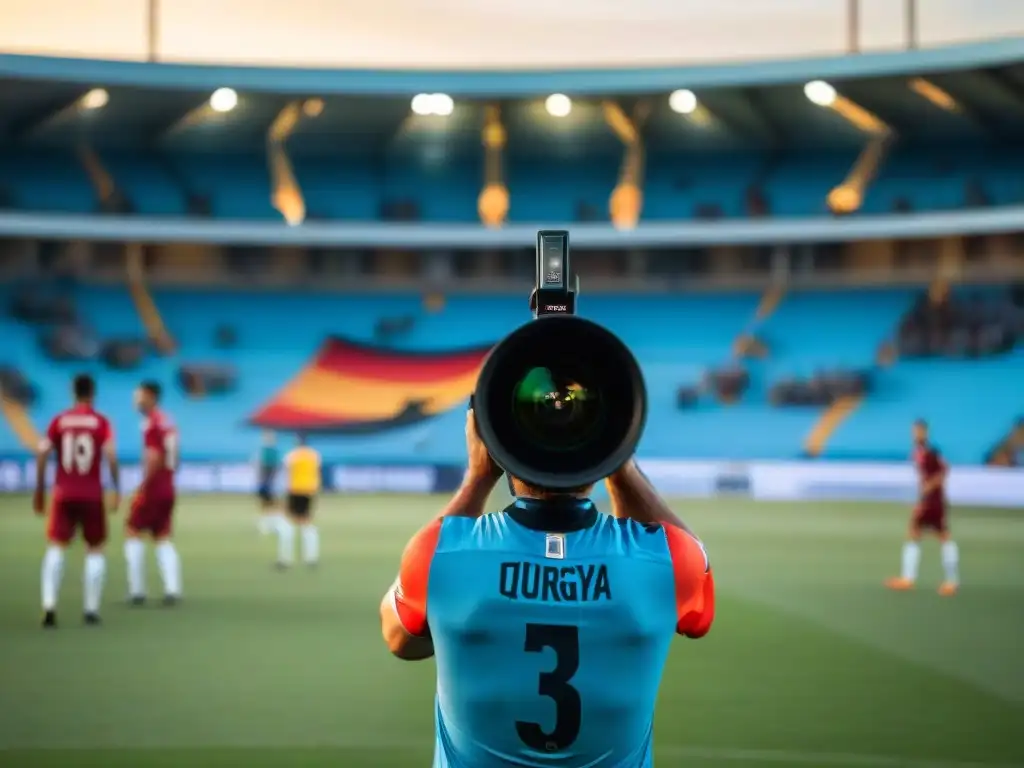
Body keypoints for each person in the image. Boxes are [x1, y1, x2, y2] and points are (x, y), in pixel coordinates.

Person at [380, 410, 715, 767]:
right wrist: (622, 468)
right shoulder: (670, 561)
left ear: (495, 444)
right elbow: (697, 597)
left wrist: (478, 478)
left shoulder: (439, 552)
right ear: (609, 447)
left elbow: (400, 638)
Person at [34, 373, 120, 627]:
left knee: (57, 546)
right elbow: (112, 456)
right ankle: (91, 609)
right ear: (93, 394)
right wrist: (116, 487)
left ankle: (49, 605)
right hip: (92, 494)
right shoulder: (101, 422)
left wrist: (40, 489)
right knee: (95, 548)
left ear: (73, 393)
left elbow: (41, 453)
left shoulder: (59, 421)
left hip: (63, 493)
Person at [124, 381, 182, 606]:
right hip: (168, 485)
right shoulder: (168, 420)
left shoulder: (152, 422)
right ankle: (172, 589)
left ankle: (137, 590)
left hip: (154, 486)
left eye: (138, 396)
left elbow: (153, 457)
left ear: (150, 396)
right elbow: (173, 457)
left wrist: (142, 486)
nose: (135, 400)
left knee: (132, 530)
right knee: (162, 535)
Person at [886, 419, 958, 595]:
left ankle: (948, 581)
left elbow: (943, 470)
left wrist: (926, 491)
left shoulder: (929, 452)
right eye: (914, 431)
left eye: (919, 431)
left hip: (931, 500)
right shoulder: (919, 452)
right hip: (931, 499)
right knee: (919, 533)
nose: (916, 434)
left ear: (925, 432)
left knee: (939, 535)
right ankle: (913, 579)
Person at [277, 433, 321, 569]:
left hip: (294, 490)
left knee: (288, 524)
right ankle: (311, 558)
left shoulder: (291, 456)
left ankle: (285, 559)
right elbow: (317, 473)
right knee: (307, 524)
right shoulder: (314, 455)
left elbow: (284, 474)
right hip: (308, 491)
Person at [255, 430, 282, 536]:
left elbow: (276, 468)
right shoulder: (263, 451)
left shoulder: (273, 452)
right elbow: (259, 468)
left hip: (272, 483)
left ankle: (275, 524)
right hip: (265, 482)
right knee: (265, 504)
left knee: (274, 504)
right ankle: (267, 524)